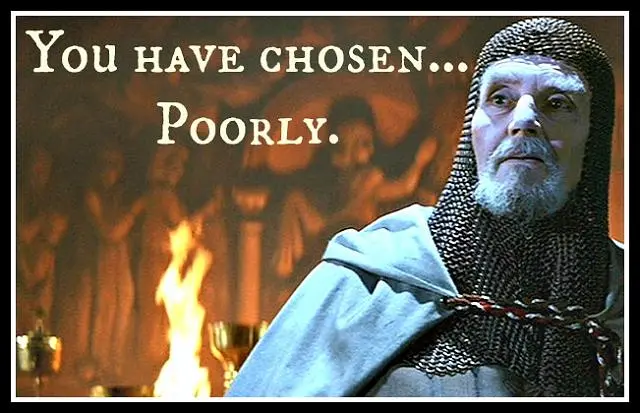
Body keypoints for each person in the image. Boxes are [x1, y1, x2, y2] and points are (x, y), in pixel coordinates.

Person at [224, 17, 624, 398]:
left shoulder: (618, 297)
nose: (523, 121)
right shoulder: (370, 282)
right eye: (500, 99)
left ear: (595, 133)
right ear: (473, 128)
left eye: (557, 103)